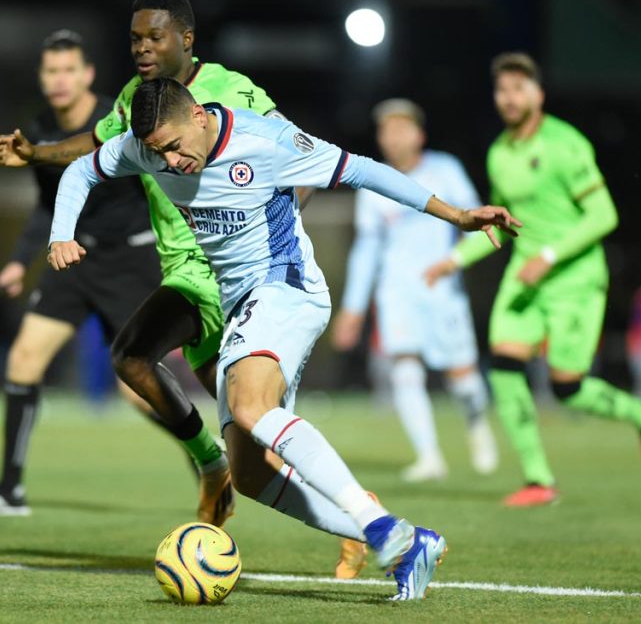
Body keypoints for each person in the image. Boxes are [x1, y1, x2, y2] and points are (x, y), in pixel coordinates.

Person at [47, 77, 521, 600]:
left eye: (176, 148)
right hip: (241, 305)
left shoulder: (267, 142)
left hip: (286, 285)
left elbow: (362, 170)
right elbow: (79, 172)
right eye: (158, 154)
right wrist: (61, 233)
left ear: (199, 118)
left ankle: (382, 528)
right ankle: (407, 542)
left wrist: (455, 214)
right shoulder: (146, 146)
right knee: (250, 476)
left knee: (251, 405)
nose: (171, 164)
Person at [0, 0, 285, 526]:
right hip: (176, 275)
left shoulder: (231, 90)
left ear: (186, 40)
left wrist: (280, 231)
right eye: (135, 38)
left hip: (230, 274)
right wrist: (37, 152)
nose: (142, 48)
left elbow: (292, 154)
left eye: (155, 37)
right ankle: (209, 464)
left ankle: (353, 513)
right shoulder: (133, 99)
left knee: (253, 425)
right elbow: (90, 152)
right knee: (124, 360)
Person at [425, 52, 641, 508]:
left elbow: (604, 214)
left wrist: (551, 255)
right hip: (527, 278)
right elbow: (500, 222)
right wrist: (454, 261)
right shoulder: (499, 153)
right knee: (502, 365)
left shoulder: (566, 144)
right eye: (502, 90)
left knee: (566, 386)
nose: (509, 98)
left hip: (574, 277)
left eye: (519, 88)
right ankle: (539, 479)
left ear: (538, 94)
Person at [0, 30, 162, 516]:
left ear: (88, 74)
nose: (60, 79)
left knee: (137, 393)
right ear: (42, 78)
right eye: (51, 71)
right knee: (23, 359)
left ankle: (208, 461)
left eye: (69, 69)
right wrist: (16, 260)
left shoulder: (118, 117)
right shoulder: (38, 129)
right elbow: (46, 207)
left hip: (130, 263)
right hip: (70, 260)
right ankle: (10, 490)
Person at [332, 99, 498, 483]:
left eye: (400, 128)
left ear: (419, 134)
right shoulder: (372, 181)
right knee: (404, 371)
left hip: (441, 290)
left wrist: (454, 261)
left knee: (464, 380)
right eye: (385, 129)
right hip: (396, 293)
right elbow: (367, 249)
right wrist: (354, 308)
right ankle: (429, 457)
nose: (392, 137)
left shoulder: (444, 169)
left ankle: (476, 420)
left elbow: (474, 219)